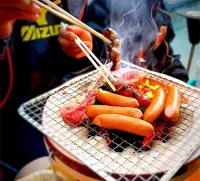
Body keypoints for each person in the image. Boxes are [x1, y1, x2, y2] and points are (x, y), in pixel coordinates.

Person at [0, 0, 188, 170]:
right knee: (40, 170)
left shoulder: (157, 7)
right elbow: (93, 43)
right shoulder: (101, 5)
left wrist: (179, 81)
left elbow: (167, 55)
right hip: (20, 113)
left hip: (66, 92)